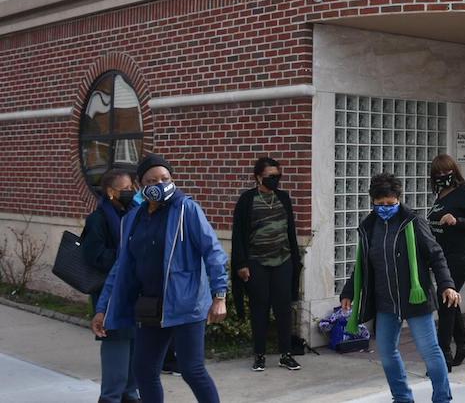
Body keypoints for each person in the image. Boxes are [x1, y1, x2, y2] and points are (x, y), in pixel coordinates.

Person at [92, 154, 229, 403]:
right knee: (143, 369)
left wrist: (219, 295)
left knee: (192, 369)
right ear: (141, 185)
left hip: (187, 305)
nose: (160, 184)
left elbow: (213, 252)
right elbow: (120, 268)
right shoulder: (132, 219)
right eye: (152, 180)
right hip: (151, 305)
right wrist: (103, 308)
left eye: (165, 178)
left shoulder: (186, 209)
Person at [340, 173, 459, 403]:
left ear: (399, 199)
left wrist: (447, 284)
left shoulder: (412, 222)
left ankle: (442, 398)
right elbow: (363, 265)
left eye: (390, 203)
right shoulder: (368, 227)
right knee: (386, 352)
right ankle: (402, 398)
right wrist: (349, 291)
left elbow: (436, 255)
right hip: (385, 301)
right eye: (380, 204)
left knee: (430, 352)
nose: (385, 207)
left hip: (415, 298)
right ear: (372, 202)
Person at [231, 156, 303, 372]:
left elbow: (290, 230)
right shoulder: (247, 200)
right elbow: (238, 235)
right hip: (256, 262)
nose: (275, 180)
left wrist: (295, 260)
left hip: (283, 260)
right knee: (259, 308)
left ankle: (286, 354)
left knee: (283, 308)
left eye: (277, 176)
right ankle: (259, 354)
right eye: (270, 177)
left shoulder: (283, 198)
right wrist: (241, 264)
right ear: (258, 177)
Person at [82, 168, 140, 403]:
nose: (130, 193)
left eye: (131, 188)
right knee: (117, 345)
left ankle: (130, 392)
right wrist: (126, 256)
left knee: (136, 346)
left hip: (136, 291)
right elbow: (94, 255)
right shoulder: (98, 219)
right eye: (125, 189)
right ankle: (111, 396)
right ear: (110, 192)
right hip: (110, 294)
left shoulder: (135, 213)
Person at [426, 154, 465, 368]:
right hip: (443, 254)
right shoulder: (440, 194)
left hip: (462, 253)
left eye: (446, 172)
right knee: (451, 299)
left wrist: (456, 220)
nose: (442, 176)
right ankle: (463, 344)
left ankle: (442, 354)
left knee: (445, 299)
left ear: (454, 172)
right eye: (437, 173)